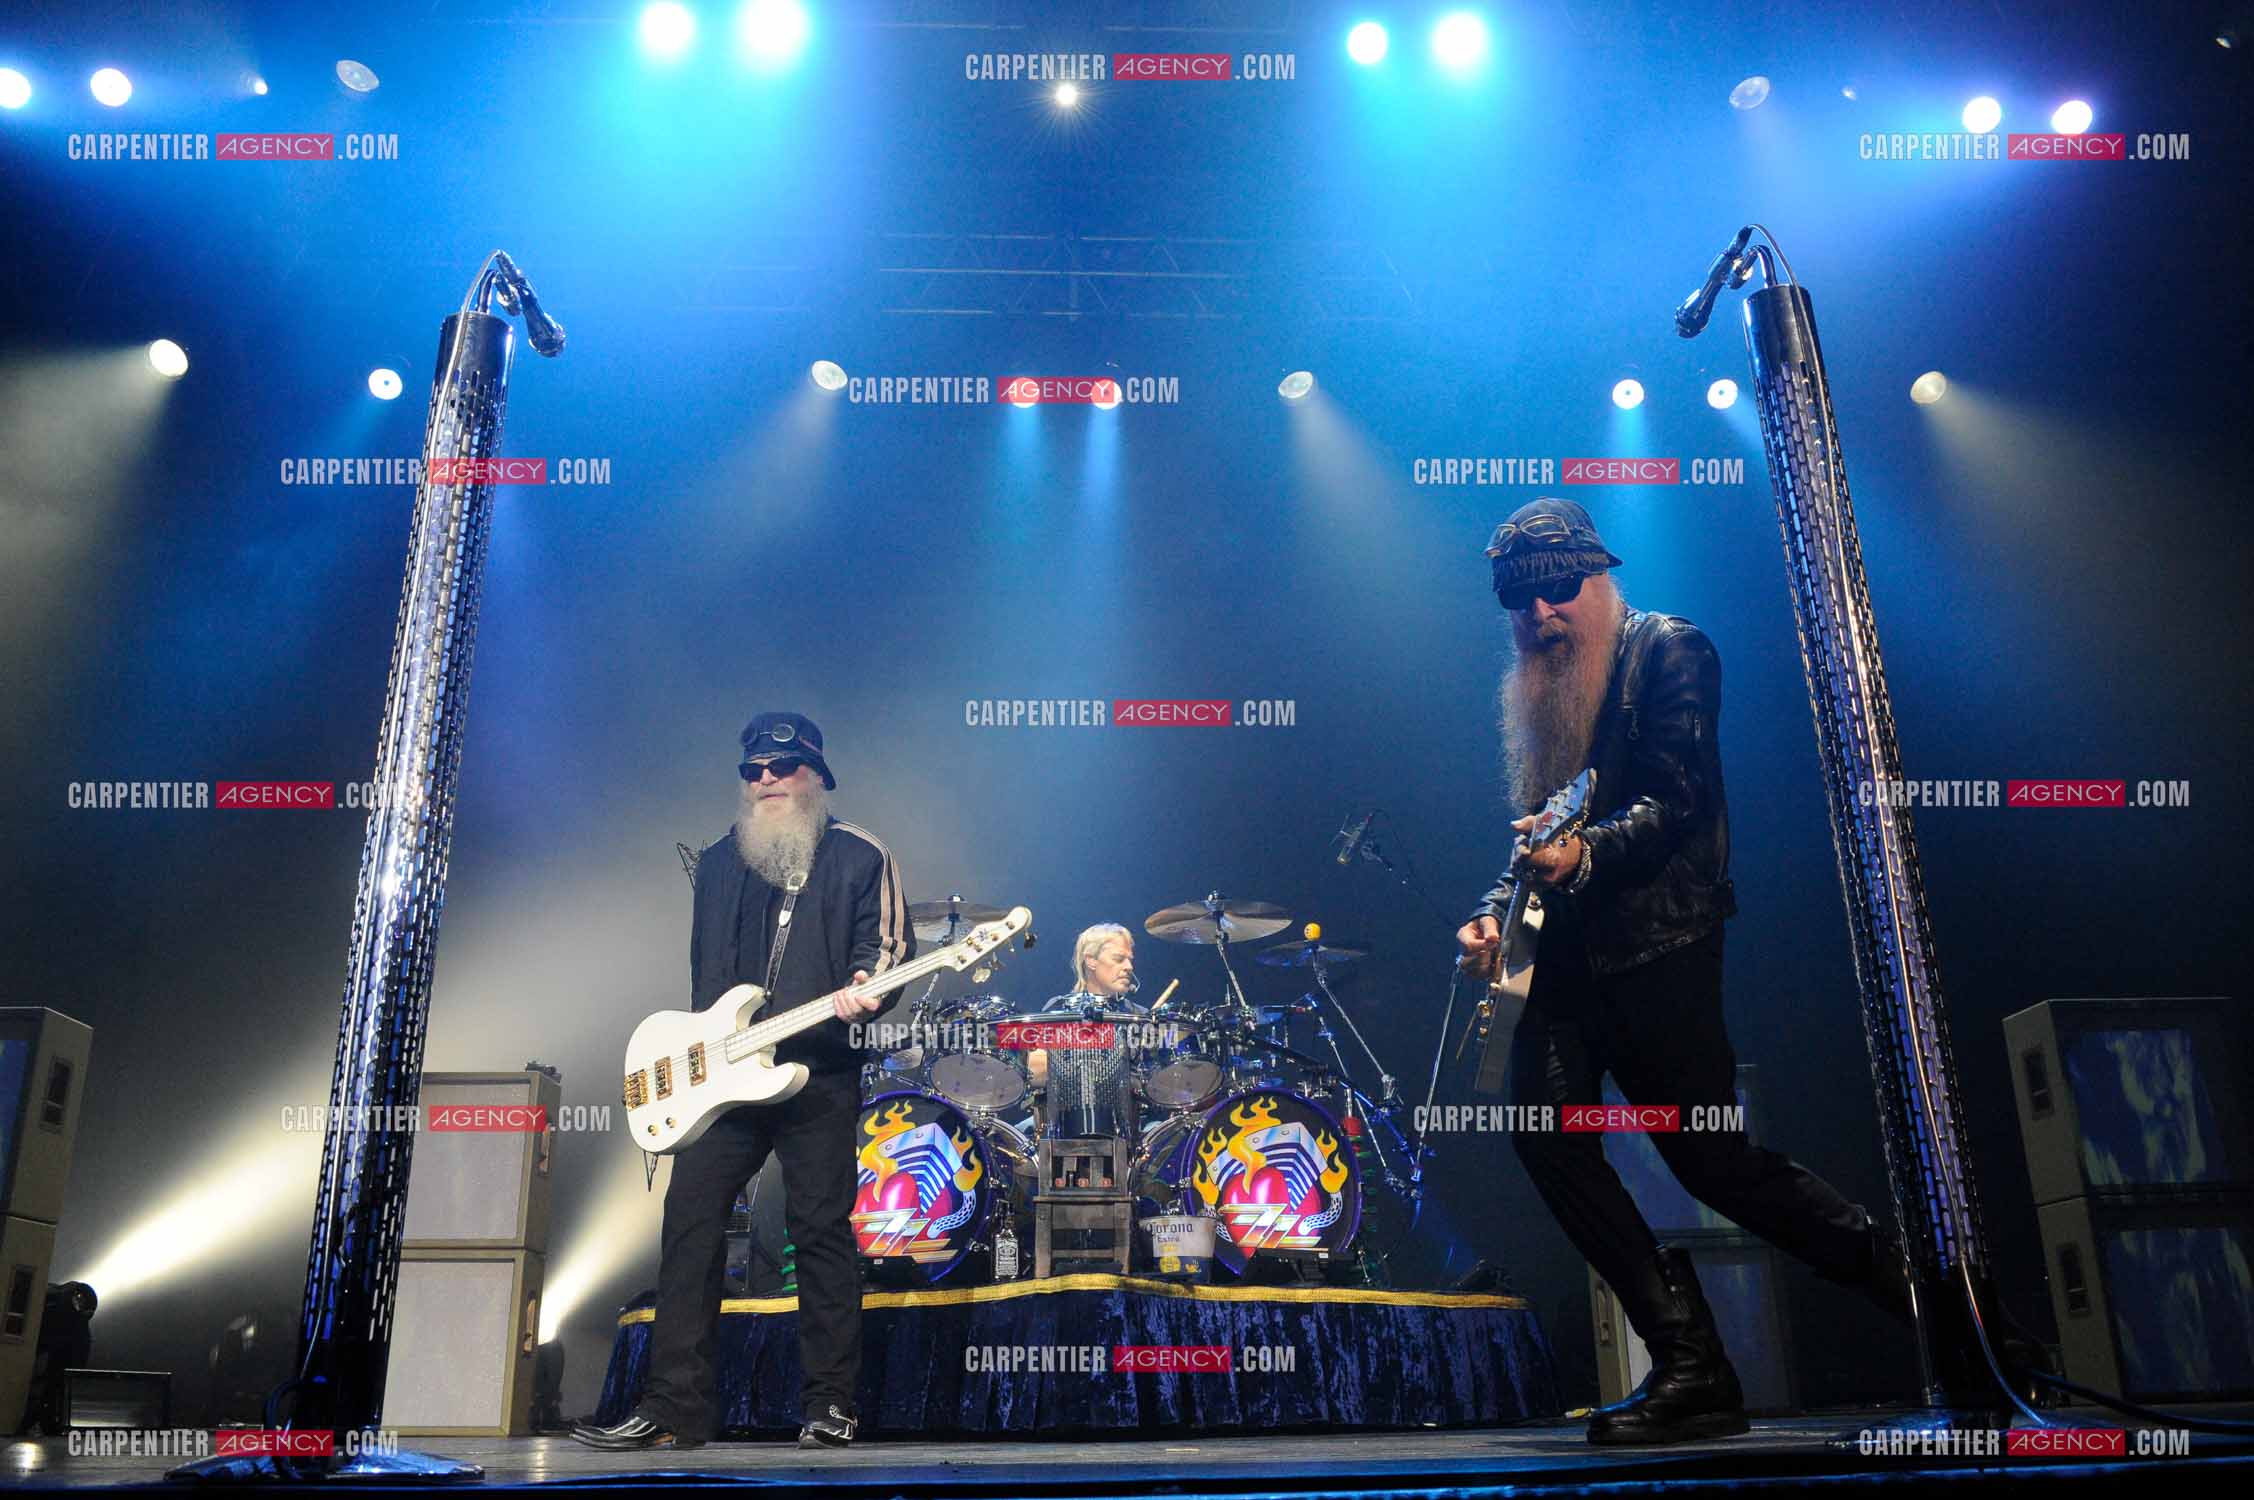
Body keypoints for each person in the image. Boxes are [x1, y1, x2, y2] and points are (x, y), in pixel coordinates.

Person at [1455, 499, 1911, 1446]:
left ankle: (1944, 1313)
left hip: (1660, 944)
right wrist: (1490, 917)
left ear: (1598, 575)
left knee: (1715, 1164)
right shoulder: (1541, 685)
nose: (1540, 615)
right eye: (1520, 600)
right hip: (1564, 963)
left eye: (1556, 591)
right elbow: (1542, 824)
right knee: (1544, 1136)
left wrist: (1583, 858)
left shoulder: (1670, 650)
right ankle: (1692, 1363)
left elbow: (1677, 798)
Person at [575, 712, 911, 1451]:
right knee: (689, 1227)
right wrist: (691, 1063)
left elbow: (884, 952)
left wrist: (867, 988)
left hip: (816, 1070)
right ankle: (673, 1409)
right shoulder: (723, 859)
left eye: (782, 768)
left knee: (818, 1231)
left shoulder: (860, 855)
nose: (765, 781)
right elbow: (709, 976)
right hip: (722, 1079)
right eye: (753, 769)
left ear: (817, 775)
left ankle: (830, 1404)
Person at [1027, 924, 1143, 1138]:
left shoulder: (1139, 1017)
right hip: (1059, 1120)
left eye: (1130, 959)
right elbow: (1032, 1068)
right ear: (1091, 960)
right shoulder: (1058, 1009)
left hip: (1129, 1124)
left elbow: (1154, 1079)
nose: (1129, 966)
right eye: (1119, 959)